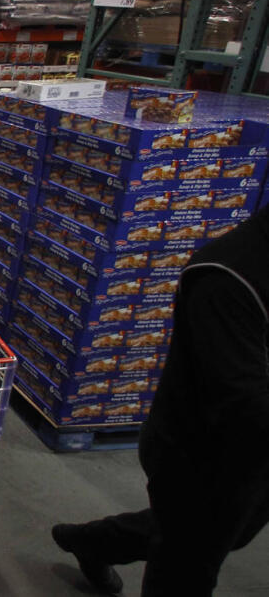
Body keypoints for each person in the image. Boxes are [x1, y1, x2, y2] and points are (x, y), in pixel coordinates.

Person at [51, 204, 269, 596]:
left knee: (225, 532)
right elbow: (244, 407)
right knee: (188, 562)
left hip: (252, 461)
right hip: (199, 456)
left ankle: (94, 541)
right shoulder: (227, 276)